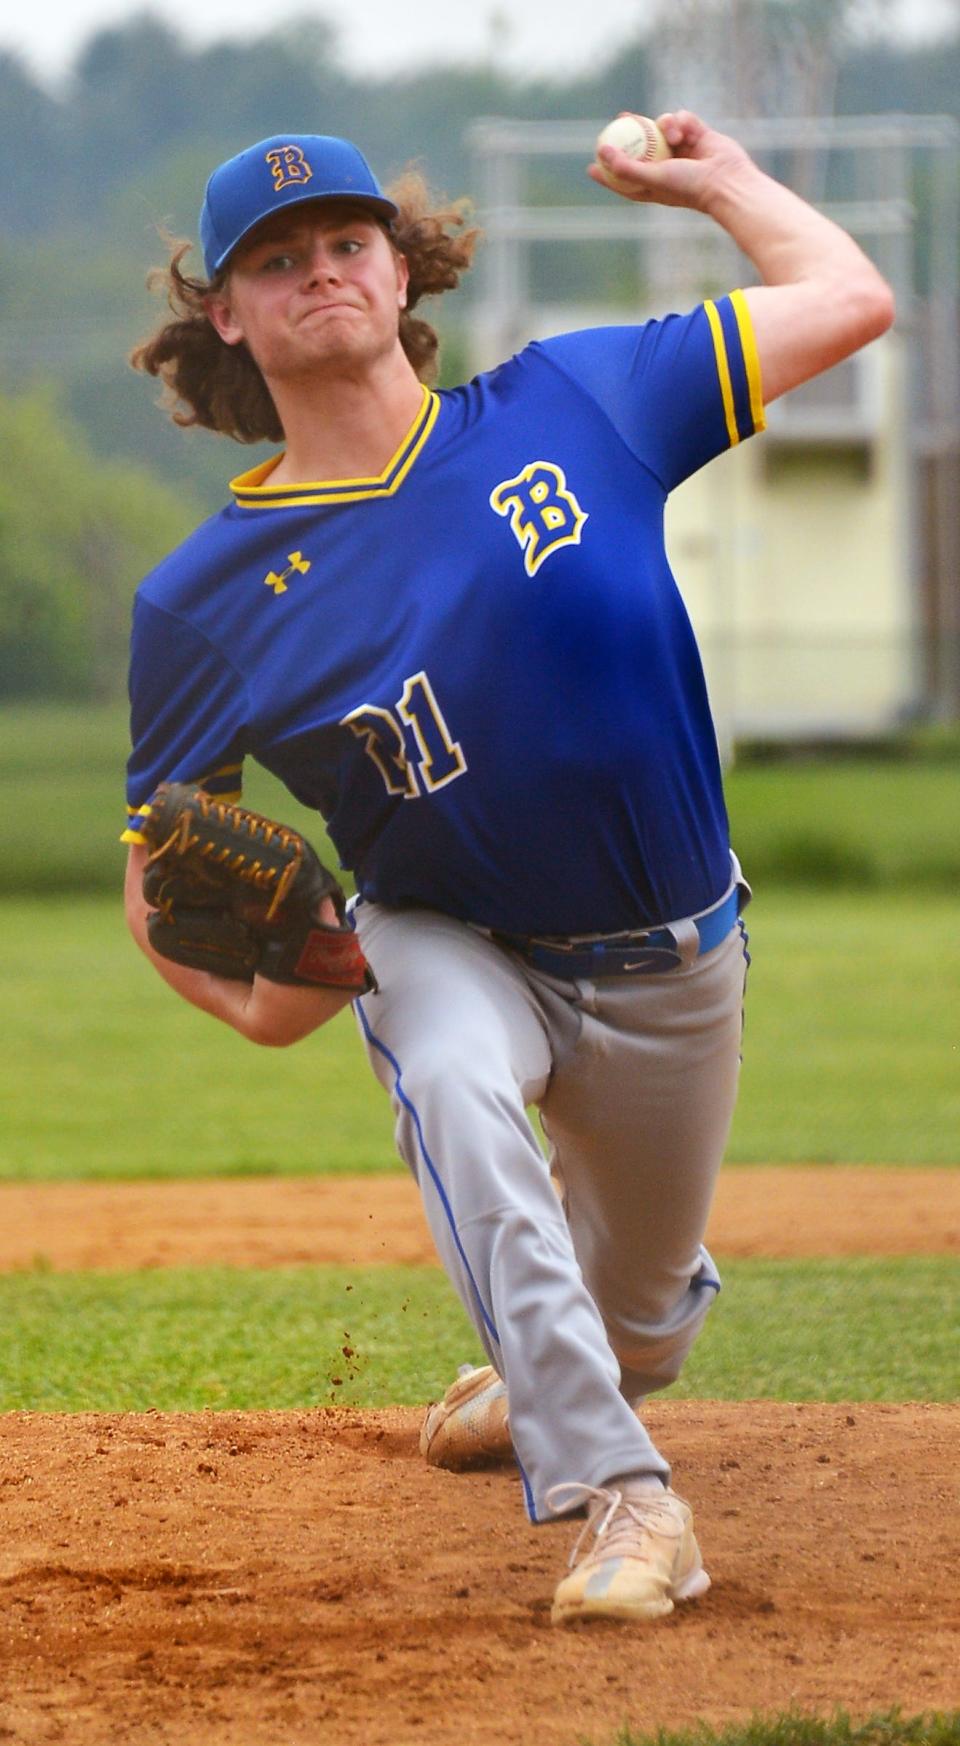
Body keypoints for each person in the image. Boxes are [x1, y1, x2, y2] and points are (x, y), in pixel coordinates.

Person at [123, 115, 893, 1625]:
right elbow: (171, 882)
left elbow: (850, 300)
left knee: (646, 1320)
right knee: (446, 1068)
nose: (319, 271)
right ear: (225, 312)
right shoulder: (202, 599)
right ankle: (626, 1496)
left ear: (399, 264)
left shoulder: (581, 400)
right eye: (274, 260)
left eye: (345, 240)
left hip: (675, 955)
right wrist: (261, 994)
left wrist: (713, 180)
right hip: (445, 931)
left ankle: (556, 1364)